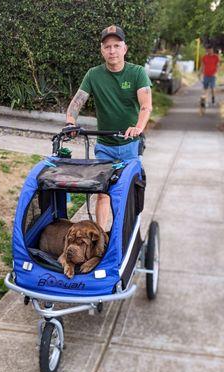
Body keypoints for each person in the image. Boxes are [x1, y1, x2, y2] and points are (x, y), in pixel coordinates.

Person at [65, 25, 152, 231]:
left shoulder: (137, 73)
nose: (112, 51)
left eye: (116, 46)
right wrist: (70, 122)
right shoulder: (94, 75)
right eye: (107, 47)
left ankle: (124, 234)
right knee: (103, 193)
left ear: (125, 49)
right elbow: (77, 102)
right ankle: (101, 239)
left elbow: (146, 105)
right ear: (102, 50)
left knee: (125, 194)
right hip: (105, 146)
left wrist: (138, 127)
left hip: (130, 146)